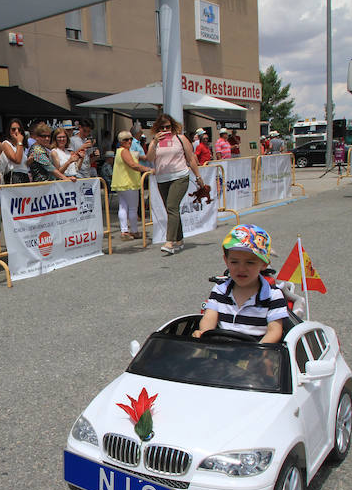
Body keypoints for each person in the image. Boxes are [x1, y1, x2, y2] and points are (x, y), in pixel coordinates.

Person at [193, 224, 288, 344]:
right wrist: (204, 332)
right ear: (226, 261)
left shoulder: (272, 296)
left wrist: (259, 352)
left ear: (264, 264)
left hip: (255, 354)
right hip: (221, 350)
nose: (241, 268)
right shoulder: (220, 289)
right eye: (234, 262)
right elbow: (209, 318)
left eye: (250, 263)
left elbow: (274, 331)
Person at [148, 114, 206, 255]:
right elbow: (149, 158)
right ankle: (179, 239)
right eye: (162, 127)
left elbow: (191, 158)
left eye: (168, 126)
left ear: (172, 126)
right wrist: (154, 143)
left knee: (172, 206)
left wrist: (198, 176)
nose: (165, 129)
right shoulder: (154, 142)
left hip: (180, 176)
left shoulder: (180, 138)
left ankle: (170, 241)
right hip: (162, 178)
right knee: (172, 209)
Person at [111, 130, 154, 240]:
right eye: (126, 139)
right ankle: (133, 231)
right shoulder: (124, 151)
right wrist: (148, 169)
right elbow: (132, 165)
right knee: (132, 208)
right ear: (121, 141)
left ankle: (124, 230)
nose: (129, 141)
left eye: (130, 139)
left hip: (122, 183)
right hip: (129, 182)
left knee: (123, 206)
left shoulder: (120, 151)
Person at [0, 118, 29, 184]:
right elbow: (17, 160)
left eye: (19, 129)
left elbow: (23, 164)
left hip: (25, 175)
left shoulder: (20, 146)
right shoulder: (6, 143)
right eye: (13, 129)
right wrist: (20, 141)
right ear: (9, 131)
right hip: (14, 176)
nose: (16, 131)